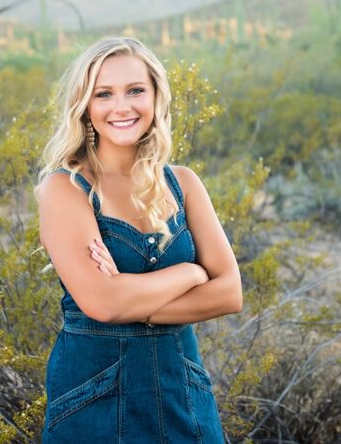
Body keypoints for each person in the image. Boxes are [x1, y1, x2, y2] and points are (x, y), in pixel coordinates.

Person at [36, 36, 242, 443]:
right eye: (104, 94)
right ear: (85, 105)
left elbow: (230, 292)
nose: (122, 106)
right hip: (94, 399)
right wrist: (190, 271)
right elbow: (103, 302)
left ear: (155, 96)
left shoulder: (183, 184)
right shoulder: (66, 188)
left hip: (181, 391)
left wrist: (135, 302)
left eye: (135, 91)